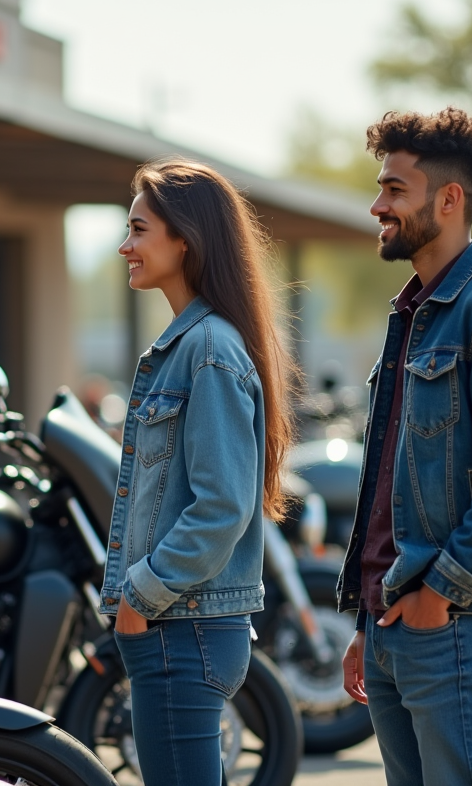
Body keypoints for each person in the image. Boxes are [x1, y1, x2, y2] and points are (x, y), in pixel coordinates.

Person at [337, 108, 472, 786]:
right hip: (391, 621)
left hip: (448, 621)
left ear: (449, 199)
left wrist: (440, 594)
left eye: (395, 189)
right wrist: (369, 620)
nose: (378, 205)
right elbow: (389, 491)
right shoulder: (410, 317)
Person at [98, 158, 299, 786]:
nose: (125, 245)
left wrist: (141, 593)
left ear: (185, 238)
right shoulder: (194, 343)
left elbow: (222, 506)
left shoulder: (208, 350)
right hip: (181, 626)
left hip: (182, 627)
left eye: (138, 229)